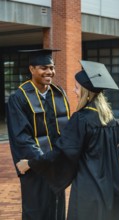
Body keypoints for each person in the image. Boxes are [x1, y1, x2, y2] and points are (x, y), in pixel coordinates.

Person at [16, 60, 119, 220]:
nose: (74, 91)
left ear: (85, 91)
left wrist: (31, 163)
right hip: (111, 187)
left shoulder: (81, 119)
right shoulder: (111, 121)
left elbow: (62, 152)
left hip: (89, 188)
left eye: (77, 87)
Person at [6, 49, 70, 220]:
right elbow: (21, 137)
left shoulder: (59, 93)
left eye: (52, 67)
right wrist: (42, 161)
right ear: (32, 69)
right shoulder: (19, 98)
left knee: (57, 209)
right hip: (35, 167)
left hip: (56, 164)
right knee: (37, 209)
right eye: (43, 68)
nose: (49, 72)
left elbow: (67, 129)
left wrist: (59, 157)